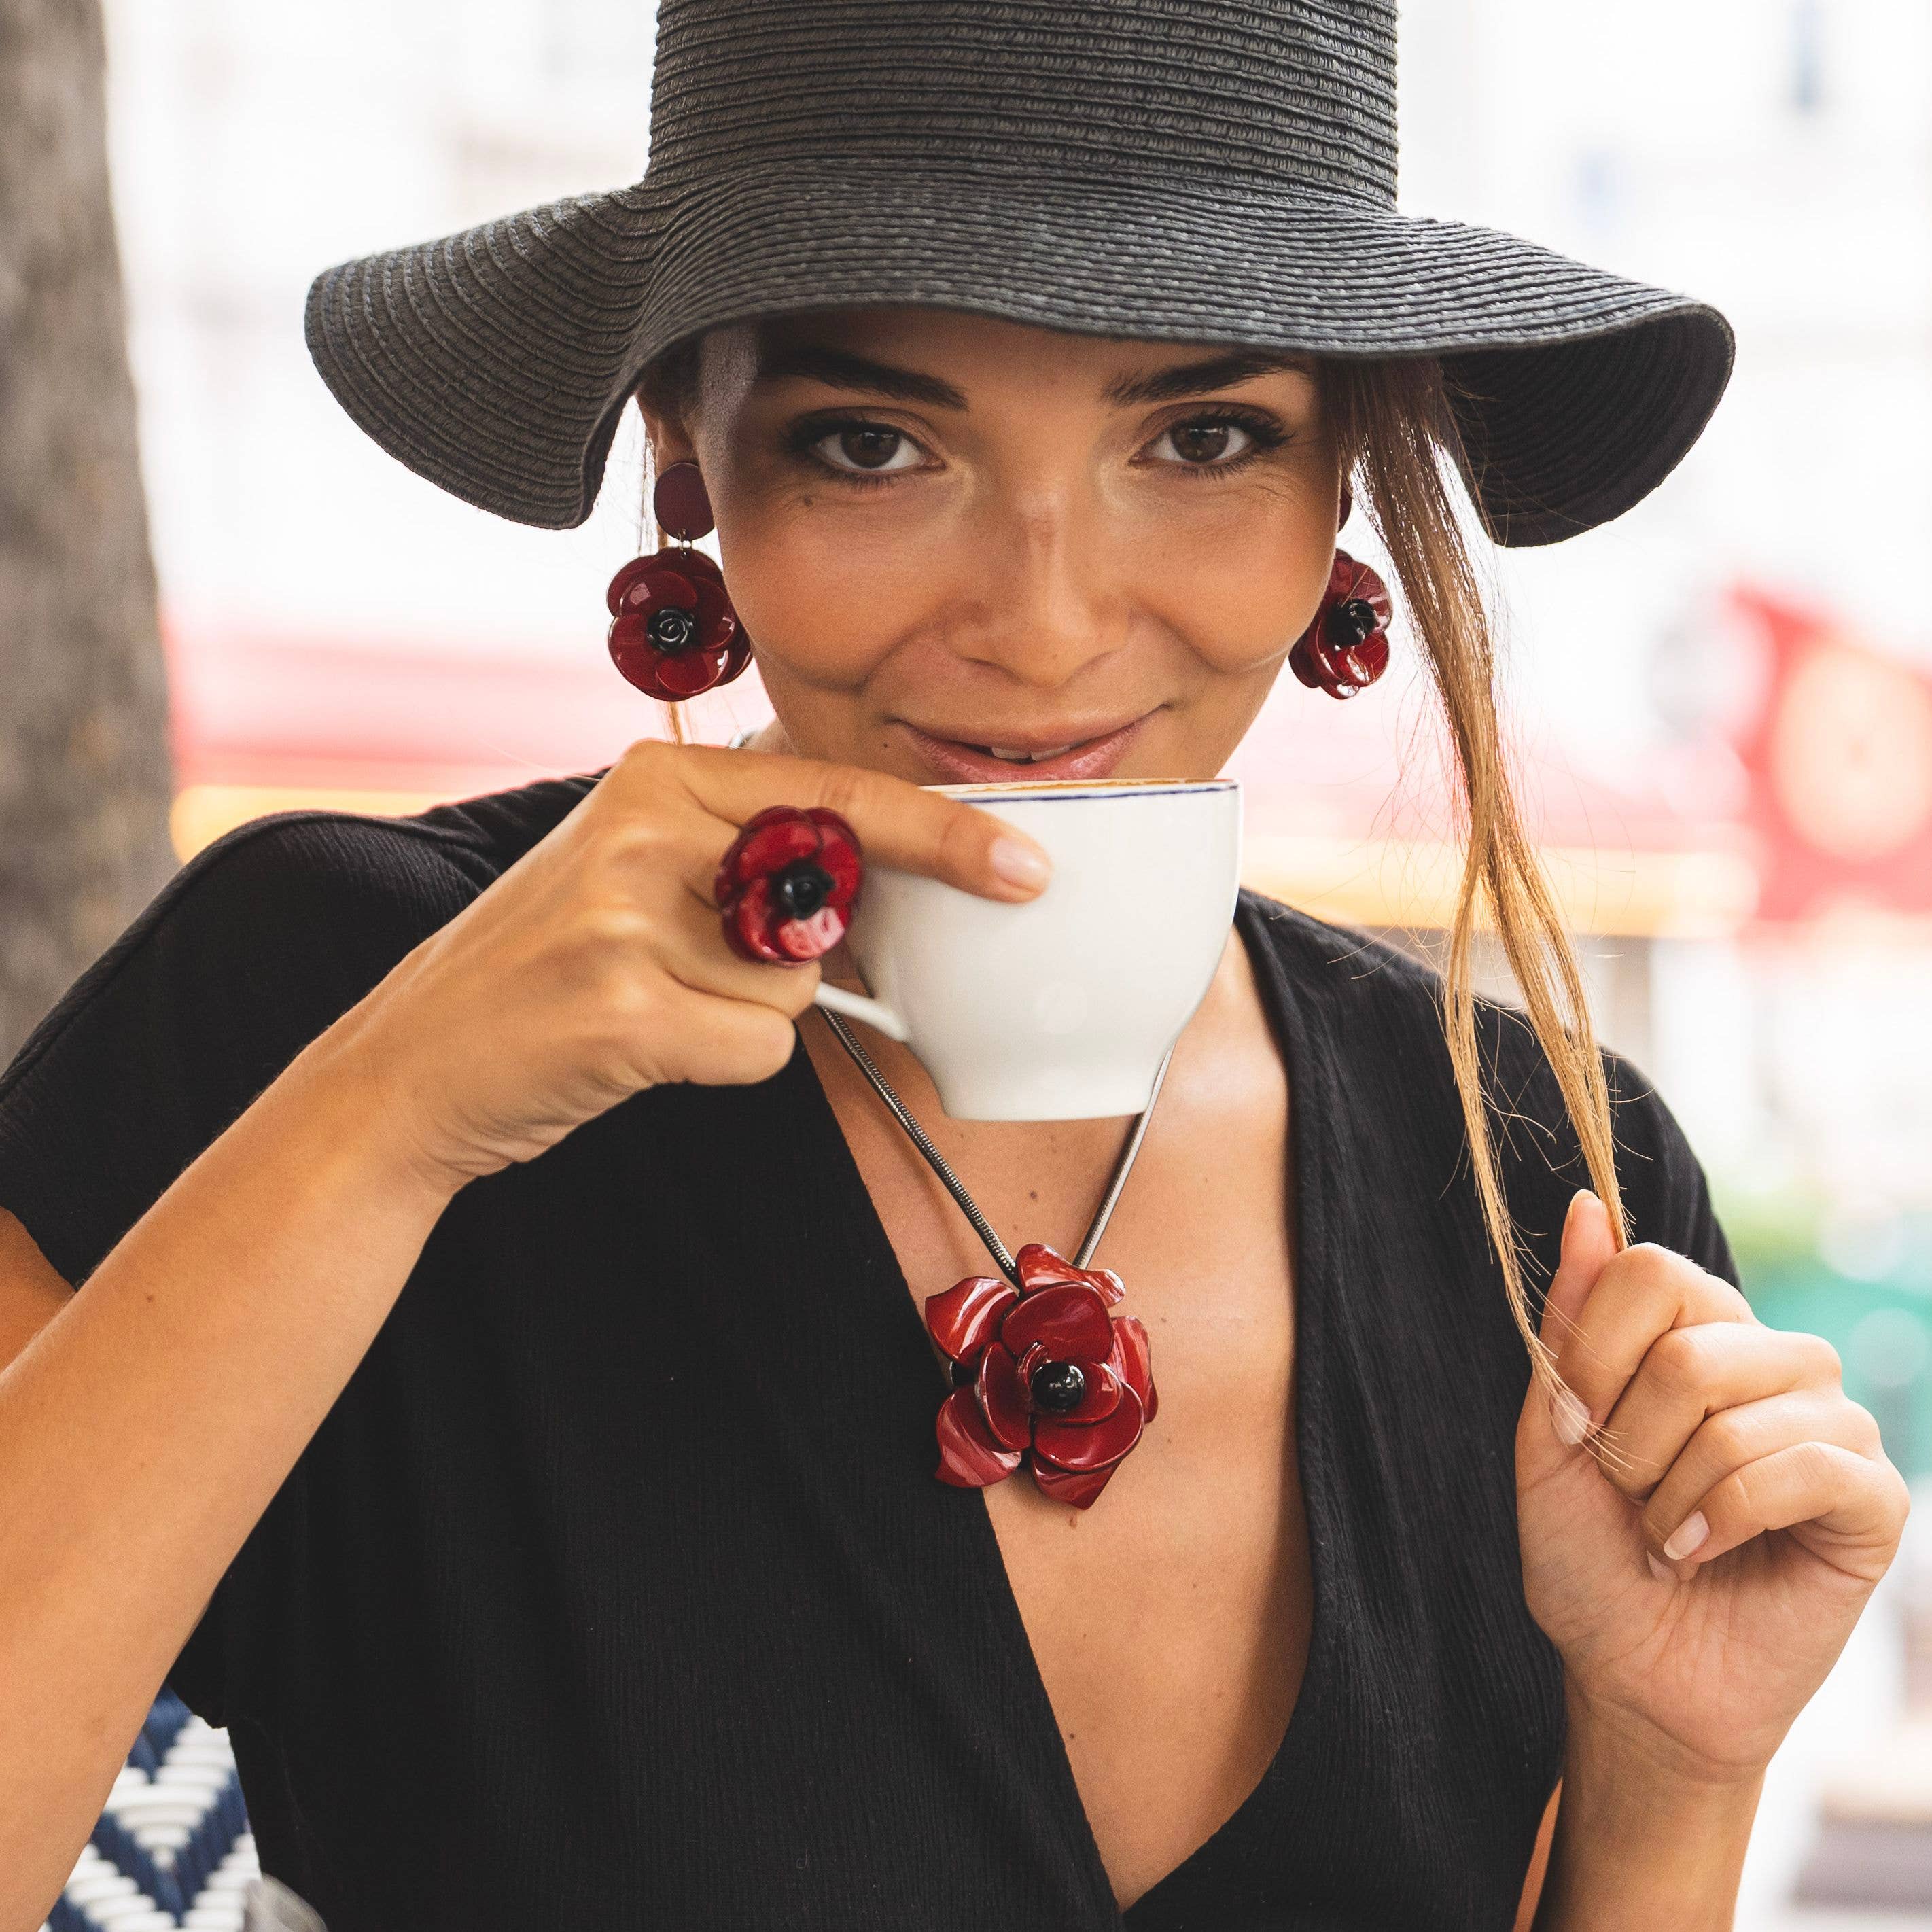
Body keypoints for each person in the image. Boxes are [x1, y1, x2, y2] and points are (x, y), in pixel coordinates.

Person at [0, 4, 1909, 1930]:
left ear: (1336, 481)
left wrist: (1673, 1774)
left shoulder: (1538, 1176)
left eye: (1201, 438)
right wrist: (386, 1125)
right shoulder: (326, 1001)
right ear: (685, 457)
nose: (1045, 625)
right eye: (872, 444)